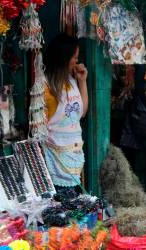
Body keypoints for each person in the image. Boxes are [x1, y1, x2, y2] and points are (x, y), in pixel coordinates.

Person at [43, 33, 89, 191]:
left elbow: (81, 112)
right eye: (74, 57)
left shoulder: (71, 79)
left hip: (74, 153)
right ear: (63, 57)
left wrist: (82, 81)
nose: (77, 61)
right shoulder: (45, 85)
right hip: (56, 156)